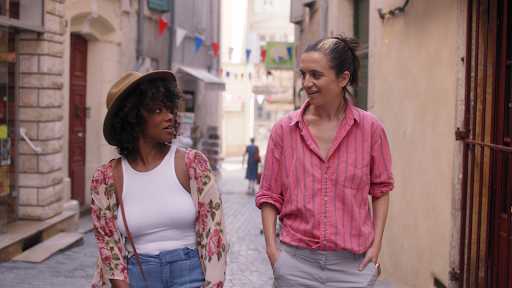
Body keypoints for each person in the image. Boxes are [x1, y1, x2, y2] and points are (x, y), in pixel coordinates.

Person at [255, 36, 394, 287]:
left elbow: (381, 189)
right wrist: (272, 252)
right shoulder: (284, 130)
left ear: (343, 79)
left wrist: (377, 245)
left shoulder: (371, 129)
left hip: (353, 266)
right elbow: (269, 195)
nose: (307, 83)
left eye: (316, 75)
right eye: (303, 74)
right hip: (295, 263)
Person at [90, 71, 227, 288]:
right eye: (157, 110)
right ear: (132, 117)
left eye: (169, 108)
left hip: (191, 275)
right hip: (135, 277)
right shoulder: (106, 179)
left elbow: (214, 233)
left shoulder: (192, 165)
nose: (170, 116)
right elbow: (109, 250)